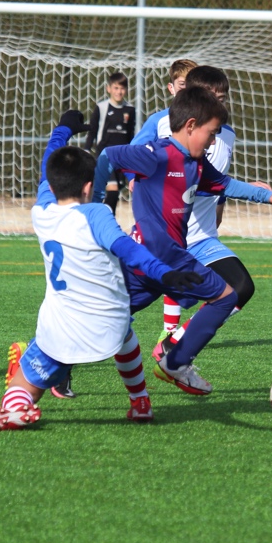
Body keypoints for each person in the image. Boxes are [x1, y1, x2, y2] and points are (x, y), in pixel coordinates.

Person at [0, 111, 203, 431]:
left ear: (51, 185)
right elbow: (128, 249)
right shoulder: (95, 213)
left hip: (61, 333)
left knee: (24, 385)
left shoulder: (41, 211)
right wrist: (165, 274)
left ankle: (15, 406)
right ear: (89, 186)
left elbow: (48, 165)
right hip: (110, 327)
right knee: (126, 333)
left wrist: (62, 130)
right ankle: (140, 401)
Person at [102, 86, 272, 395]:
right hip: (163, 257)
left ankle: (40, 357)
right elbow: (108, 155)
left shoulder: (196, 164)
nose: (214, 140)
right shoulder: (157, 155)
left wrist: (268, 196)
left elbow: (224, 184)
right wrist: (97, 202)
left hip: (148, 262)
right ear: (191, 125)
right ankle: (176, 362)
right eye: (212, 133)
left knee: (106, 317)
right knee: (226, 296)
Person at [50, 58, 198, 400]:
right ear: (172, 88)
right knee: (224, 289)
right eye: (184, 86)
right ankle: (169, 352)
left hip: (187, 228)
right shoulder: (160, 122)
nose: (190, 92)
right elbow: (126, 153)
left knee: (216, 290)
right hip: (155, 231)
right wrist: (132, 180)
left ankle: (169, 342)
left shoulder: (211, 128)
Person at [131, 66, 267, 362]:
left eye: (224, 98)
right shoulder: (162, 123)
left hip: (203, 238)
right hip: (164, 237)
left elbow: (217, 180)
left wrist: (226, 202)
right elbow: (134, 160)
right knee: (115, 312)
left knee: (242, 287)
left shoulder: (226, 134)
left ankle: (175, 343)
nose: (221, 103)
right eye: (214, 97)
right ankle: (50, 362)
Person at [84, 71, 136, 215]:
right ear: (109, 88)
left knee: (114, 193)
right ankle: (102, 221)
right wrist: (87, 150)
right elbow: (93, 131)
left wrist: (132, 153)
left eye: (122, 88)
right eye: (116, 88)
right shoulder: (101, 107)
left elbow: (130, 134)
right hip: (105, 155)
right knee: (109, 190)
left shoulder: (130, 110)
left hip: (122, 156)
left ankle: (106, 220)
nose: (119, 91)